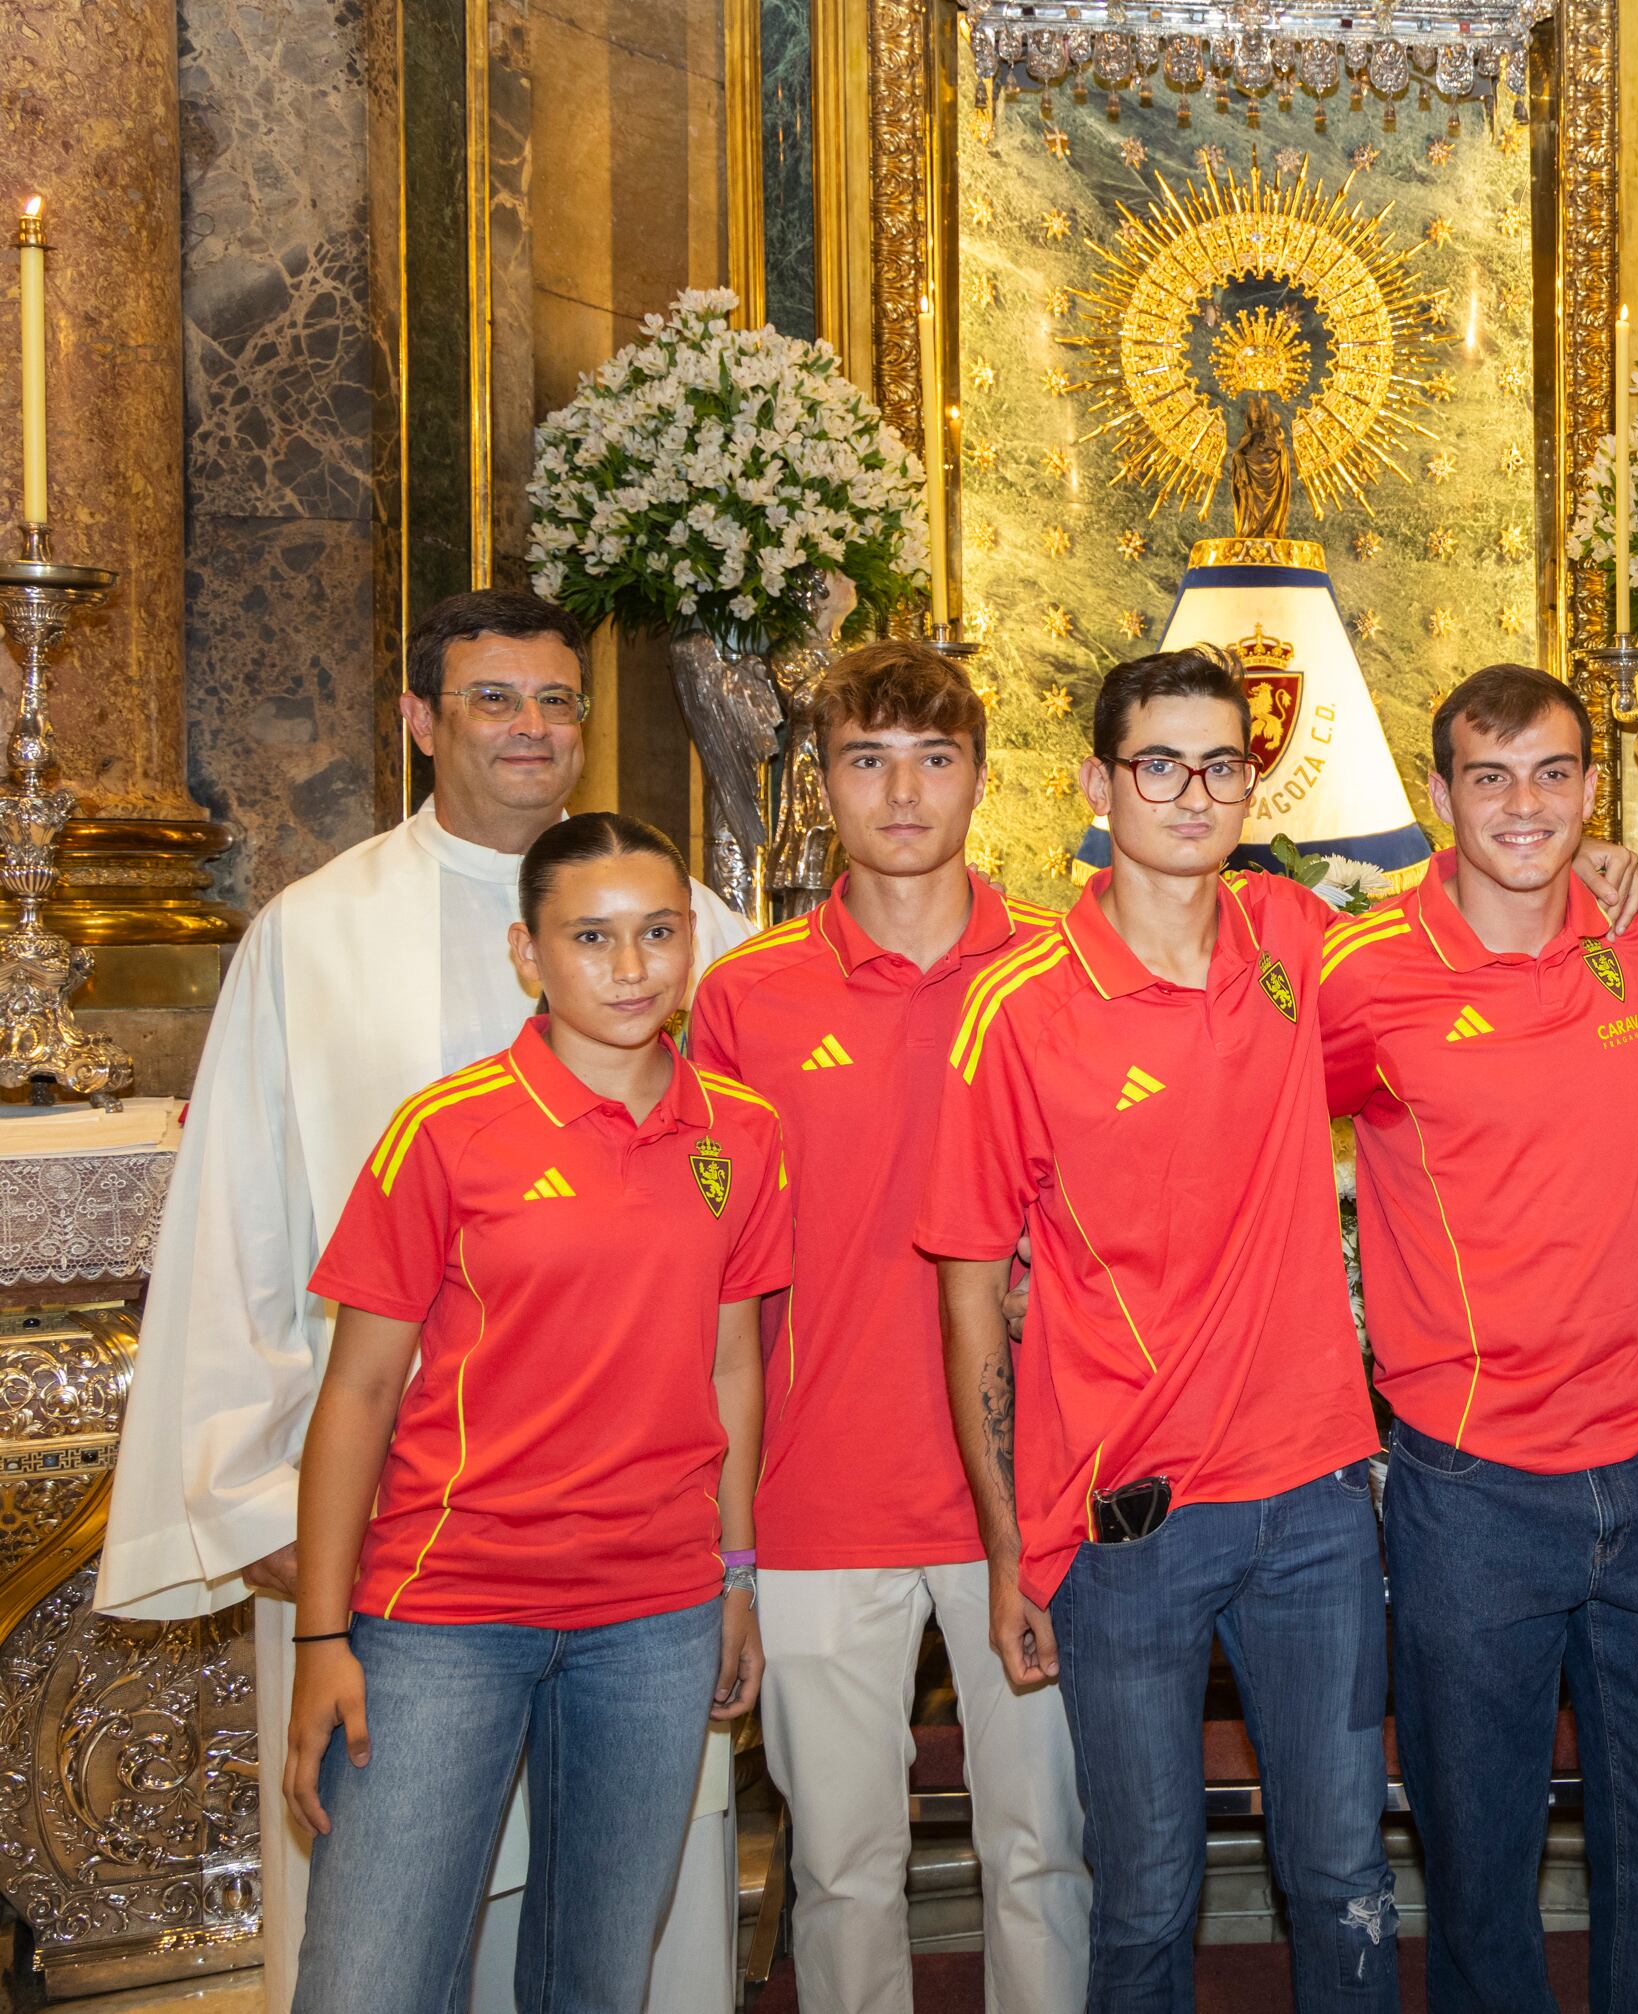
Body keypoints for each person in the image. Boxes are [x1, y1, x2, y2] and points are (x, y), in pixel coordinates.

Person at [97, 587, 751, 2013]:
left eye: (557, 700)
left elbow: (740, 1283)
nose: (530, 728)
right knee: (383, 1946)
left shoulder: (693, 924)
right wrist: (257, 1501)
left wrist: (739, 1558)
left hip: (635, 1566)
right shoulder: (313, 932)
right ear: (417, 720)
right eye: (492, 699)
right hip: (406, 1551)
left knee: (604, 1948)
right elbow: (243, 1223)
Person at [921, 646, 1399, 2014]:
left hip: (1312, 1499)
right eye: (1159, 764)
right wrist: (1010, 1550)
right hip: (1128, 1524)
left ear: (1252, 784)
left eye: (1221, 765)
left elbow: (1460, 938)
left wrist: (1594, 871)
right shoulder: (1019, 1007)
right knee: (1143, 1888)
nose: (1192, 793)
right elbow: (970, 1293)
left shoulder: (1295, 936)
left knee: (1344, 1871)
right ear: (1096, 781)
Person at [282, 813, 788, 2012]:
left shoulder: (742, 1132)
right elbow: (357, 1391)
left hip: (654, 1616)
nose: (631, 967)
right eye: (591, 937)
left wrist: (736, 1576)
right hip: (447, 1611)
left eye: (657, 932)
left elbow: (732, 1367)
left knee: (594, 1981)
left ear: (691, 942)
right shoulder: (447, 1130)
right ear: (528, 953)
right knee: (371, 1983)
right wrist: (320, 1638)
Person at [1320, 664, 1638, 2014]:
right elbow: (1238, 1110)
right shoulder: (1362, 973)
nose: (1523, 805)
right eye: (1490, 777)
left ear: (1588, 790)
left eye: (1552, 774)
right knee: (1477, 1850)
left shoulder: (1637, 937)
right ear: (1438, 793)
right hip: (1473, 1479)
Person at [687, 640, 1092, 2014]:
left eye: (932, 759)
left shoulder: (1059, 965)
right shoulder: (744, 996)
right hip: (819, 1491)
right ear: (824, 778)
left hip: (1028, 1492)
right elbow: (711, 1282)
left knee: (1042, 1853)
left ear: (979, 777)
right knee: (843, 1869)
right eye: (867, 760)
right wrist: (726, 1540)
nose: (903, 793)